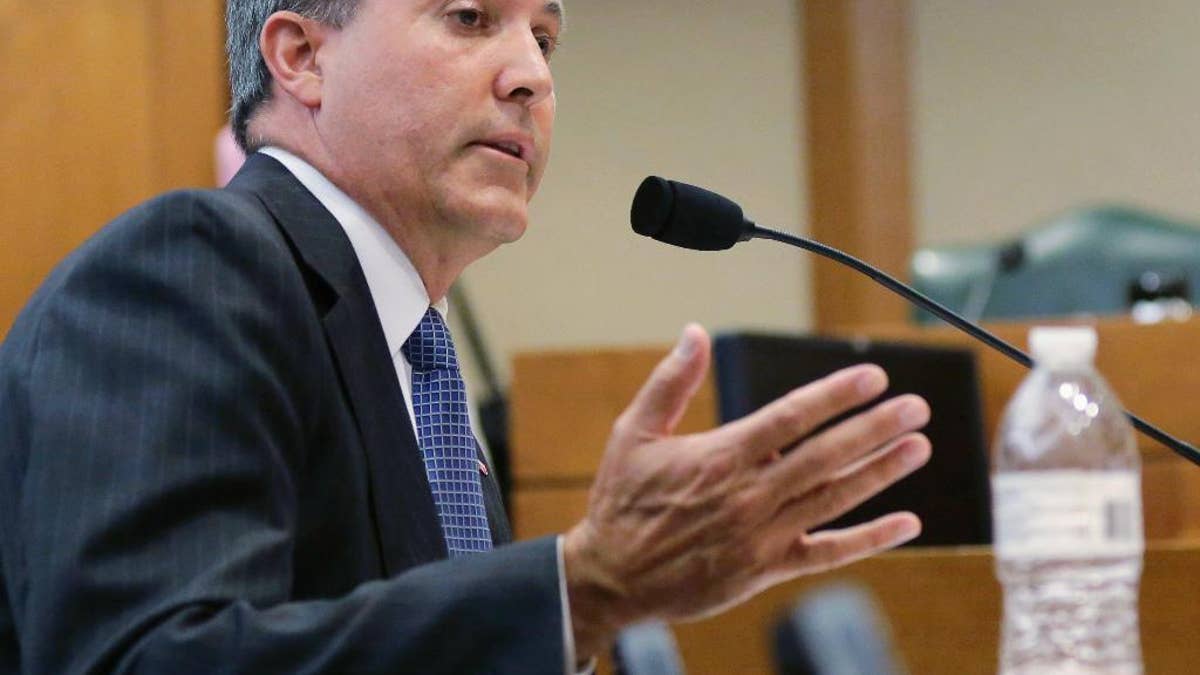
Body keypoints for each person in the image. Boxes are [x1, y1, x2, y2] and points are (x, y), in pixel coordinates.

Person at [0, 1, 933, 672]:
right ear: (301, 56)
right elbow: (147, 658)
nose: (532, 73)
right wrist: (577, 590)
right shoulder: (192, 268)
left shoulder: (416, 358)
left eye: (545, 37)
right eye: (470, 18)